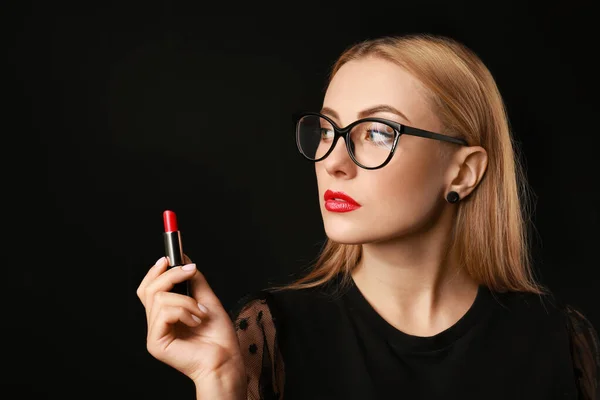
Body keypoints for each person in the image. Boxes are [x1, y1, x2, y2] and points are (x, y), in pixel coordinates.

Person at [136, 33, 600, 399]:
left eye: (377, 132)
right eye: (327, 129)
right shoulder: (271, 334)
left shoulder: (559, 339)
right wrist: (218, 381)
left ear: (463, 172)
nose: (334, 160)